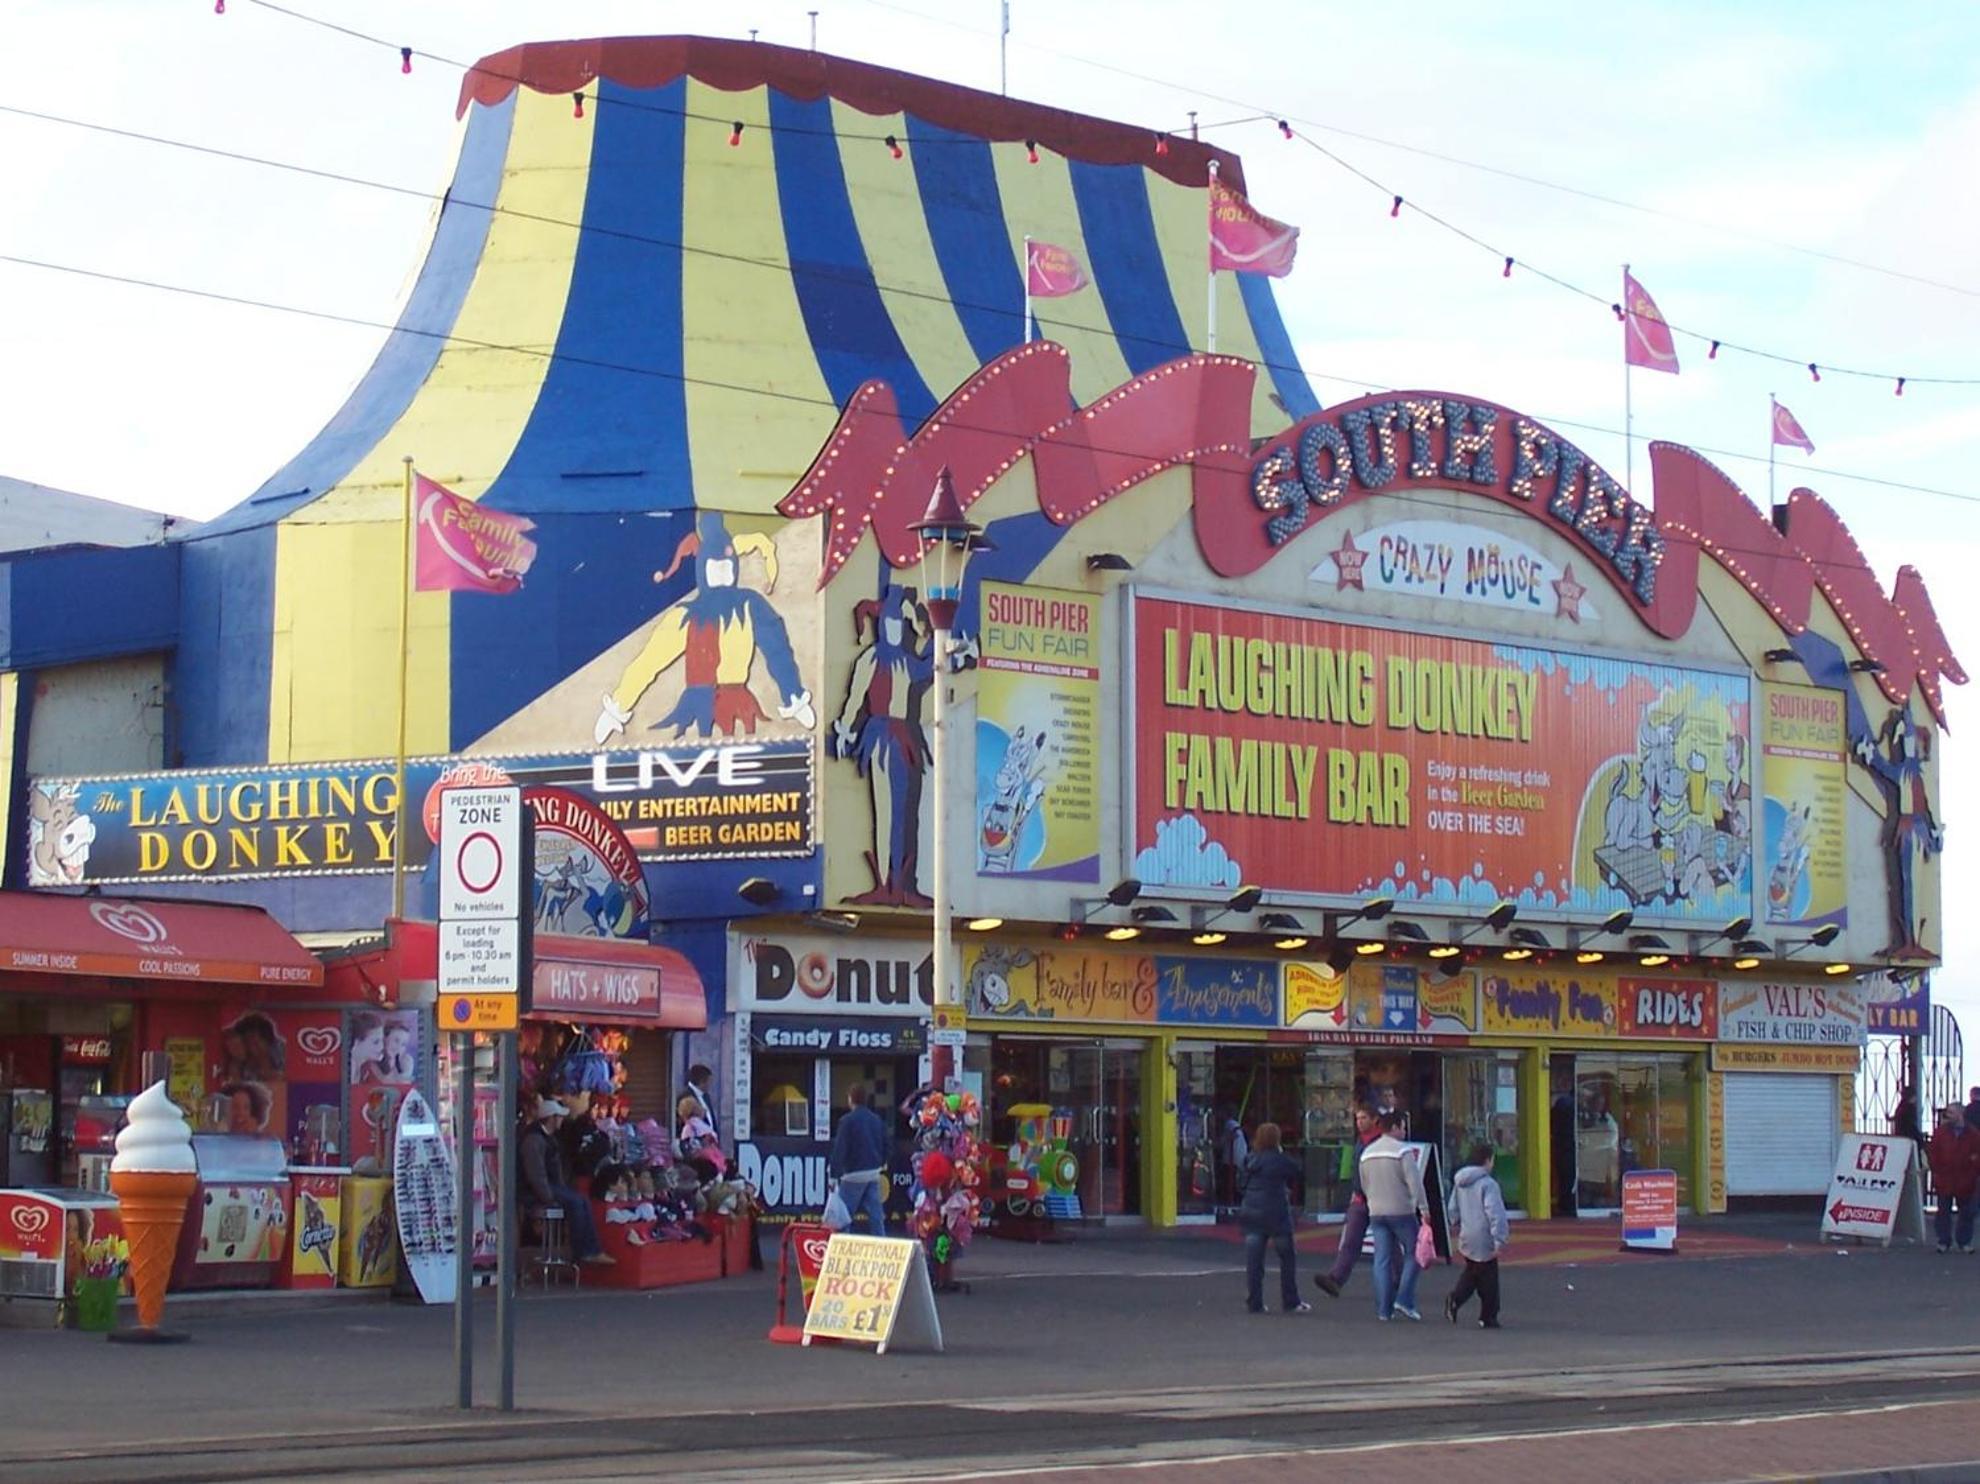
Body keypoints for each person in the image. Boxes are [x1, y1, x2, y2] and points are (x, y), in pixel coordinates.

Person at [520, 1097, 614, 1266]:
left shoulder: (549, 1139)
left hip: (549, 1186)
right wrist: (549, 1198)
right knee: (577, 1202)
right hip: (536, 1190)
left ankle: (591, 1250)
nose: (562, 1120)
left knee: (582, 1200)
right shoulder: (534, 1140)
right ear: (551, 1118)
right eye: (559, 1116)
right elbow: (536, 1175)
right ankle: (584, 1251)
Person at [1360, 1109, 1428, 1321]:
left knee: (1381, 1260)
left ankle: (1383, 1310)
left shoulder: (1367, 1152)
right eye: (1403, 1127)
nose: (1405, 1131)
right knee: (1415, 1254)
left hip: (1376, 1211)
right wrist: (1424, 1208)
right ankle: (1404, 1298)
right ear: (1396, 1127)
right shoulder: (1402, 1152)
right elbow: (1414, 1183)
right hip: (1401, 1211)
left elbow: (1364, 1184)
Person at [1238, 1122, 1308, 1314]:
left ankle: (1255, 1302)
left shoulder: (1249, 1160)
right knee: (1287, 1257)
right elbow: (1297, 1171)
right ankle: (1290, 1300)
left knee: (1254, 1261)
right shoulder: (1280, 1160)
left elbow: (1241, 1184)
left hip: (1252, 1211)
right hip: (1276, 1212)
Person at [1314, 1102, 1381, 1299]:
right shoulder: (1361, 1141)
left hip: (1377, 1198)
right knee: (1350, 1241)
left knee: (1388, 1243)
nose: (1359, 1123)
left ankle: (1396, 1282)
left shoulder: (1377, 1141)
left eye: (1363, 1118)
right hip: (1361, 1198)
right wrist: (1355, 1189)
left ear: (1374, 1119)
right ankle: (1336, 1278)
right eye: (1357, 1119)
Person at [1445, 1141, 1511, 1328]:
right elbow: (1495, 1212)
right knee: (1488, 1277)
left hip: (1467, 1233)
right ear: (1487, 1160)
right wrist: (1500, 1238)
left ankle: (1459, 1300)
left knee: (1474, 1271)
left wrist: (1454, 1221)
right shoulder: (1488, 1184)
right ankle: (1485, 1314)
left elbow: (1452, 1207)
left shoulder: (1460, 1182)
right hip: (1484, 1236)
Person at [828, 1083, 891, 1234]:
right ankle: (882, 1247)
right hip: (873, 1173)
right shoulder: (876, 1119)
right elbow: (887, 1144)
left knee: (844, 1216)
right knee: (876, 1216)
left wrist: (833, 1175)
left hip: (852, 1175)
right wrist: (881, 1163)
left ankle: (842, 1247)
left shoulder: (846, 1121)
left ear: (851, 1099)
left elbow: (840, 1149)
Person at [1926, 1104, 1980, 1254]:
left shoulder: (1973, 1134)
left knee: (1966, 1212)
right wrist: (1937, 1169)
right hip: (1946, 1177)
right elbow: (1933, 1152)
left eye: (1951, 1112)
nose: (1947, 1115)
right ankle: (1944, 1240)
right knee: (1943, 1211)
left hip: (1965, 1179)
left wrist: (1973, 1166)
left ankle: (1963, 1241)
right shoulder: (1941, 1133)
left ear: (1960, 1114)